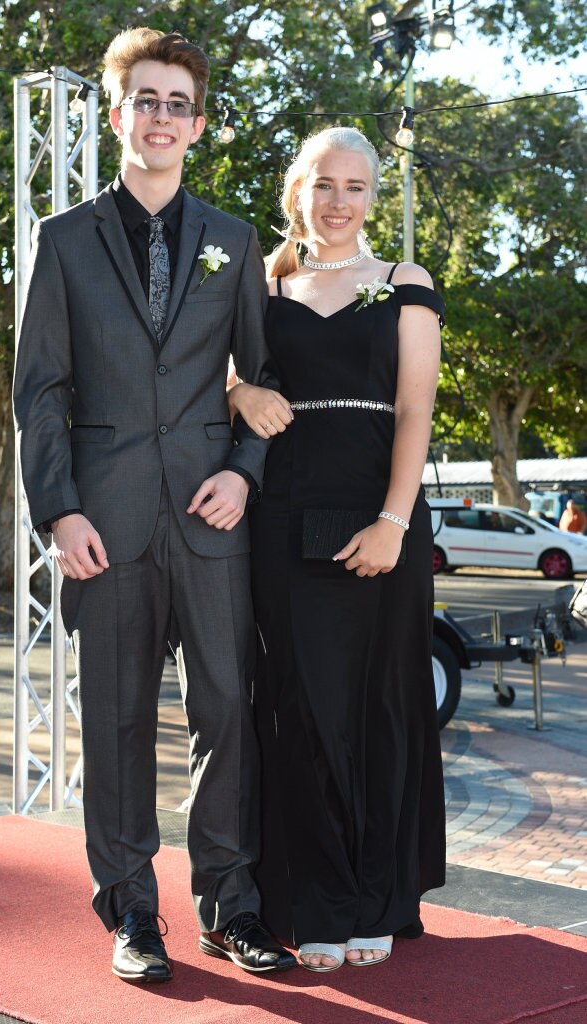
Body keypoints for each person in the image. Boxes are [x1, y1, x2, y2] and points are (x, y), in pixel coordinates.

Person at [13, 27, 296, 984]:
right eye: (146, 98)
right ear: (116, 112)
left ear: (198, 123)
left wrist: (246, 471)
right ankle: (133, 908)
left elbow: (261, 381)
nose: (162, 116)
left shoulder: (235, 239)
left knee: (226, 711)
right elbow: (40, 392)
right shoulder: (61, 242)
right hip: (108, 520)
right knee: (119, 722)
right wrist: (60, 510)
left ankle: (232, 904)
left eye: (179, 102)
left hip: (213, 520)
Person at [229, 126, 446, 971]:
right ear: (297, 191)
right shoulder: (261, 282)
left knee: (379, 710)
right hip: (282, 516)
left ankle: (375, 900)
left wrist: (393, 523)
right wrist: (243, 389)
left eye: (356, 187)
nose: (339, 202)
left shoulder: (406, 285)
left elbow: (417, 412)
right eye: (324, 184)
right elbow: (210, 367)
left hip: (379, 516)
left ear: (372, 197)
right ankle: (311, 898)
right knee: (299, 707)